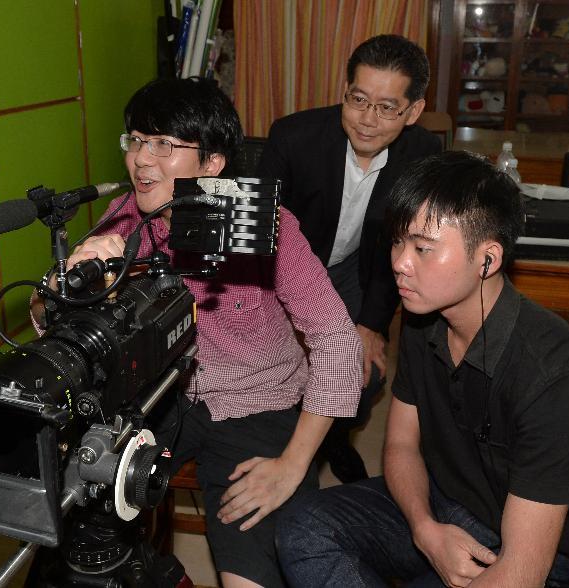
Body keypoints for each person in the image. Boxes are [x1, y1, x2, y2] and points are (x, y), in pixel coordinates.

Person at [33, 77, 362, 588]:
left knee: (253, 575)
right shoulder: (124, 220)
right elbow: (54, 327)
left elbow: (337, 340)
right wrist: (60, 287)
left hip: (258, 401)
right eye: (136, 140)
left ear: (212, 164)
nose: (142, 160)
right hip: (157, 398)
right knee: (72, 528)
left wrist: (295, 463)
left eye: (164, 145)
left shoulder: (259, 222)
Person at [276, 151, 569, 587]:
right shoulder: (424, 316)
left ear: (487, 259)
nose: (399, 262)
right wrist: (425, 530)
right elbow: (401, 445)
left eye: (422, 249)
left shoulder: (555, 377)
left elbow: (521, 572)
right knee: (304, 526)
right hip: (451, 504)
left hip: (558, 562)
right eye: (397, 241)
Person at [256, 34, 442, 483]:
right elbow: (262, 236)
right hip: (287, 268)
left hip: (360, 271)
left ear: (413, 111)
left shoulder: (424, 155)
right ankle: (294, 451)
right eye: (358, 100)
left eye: (386, 107)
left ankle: (328, 440)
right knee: (280, 365)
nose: (366, 120)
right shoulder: (293, 136)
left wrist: (371, 325)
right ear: (344, 92)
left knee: (364, 374)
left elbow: (397, 251)